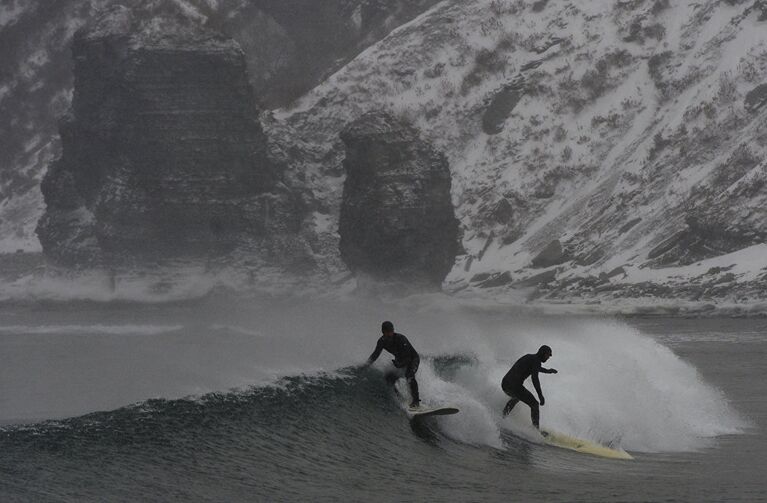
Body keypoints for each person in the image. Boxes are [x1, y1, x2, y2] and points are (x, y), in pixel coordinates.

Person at [366, 321, 421, 408]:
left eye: (391, 331)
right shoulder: (381, 341)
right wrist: (367, 364)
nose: (389, 334)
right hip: (399, 361)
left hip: (413, 359)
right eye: (387, 332)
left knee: (409, 375)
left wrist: (399, 365)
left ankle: (416, 401)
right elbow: (375, 354)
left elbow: (408, 358)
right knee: (389, 378)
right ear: (383, 332)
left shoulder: (401, 338)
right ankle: (399, 398)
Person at [501, 345, 557, 429]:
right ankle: (535, 430)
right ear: (542, 353)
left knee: (516, 397)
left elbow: (536, 368)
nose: (548, 357)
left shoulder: (530, 357)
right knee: (534, 404)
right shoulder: (536, 361)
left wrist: (548, 371)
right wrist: (540, 395)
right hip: (514, 385)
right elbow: (535, 378)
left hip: (505, 383)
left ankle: (502, 417)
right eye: (547, 355)